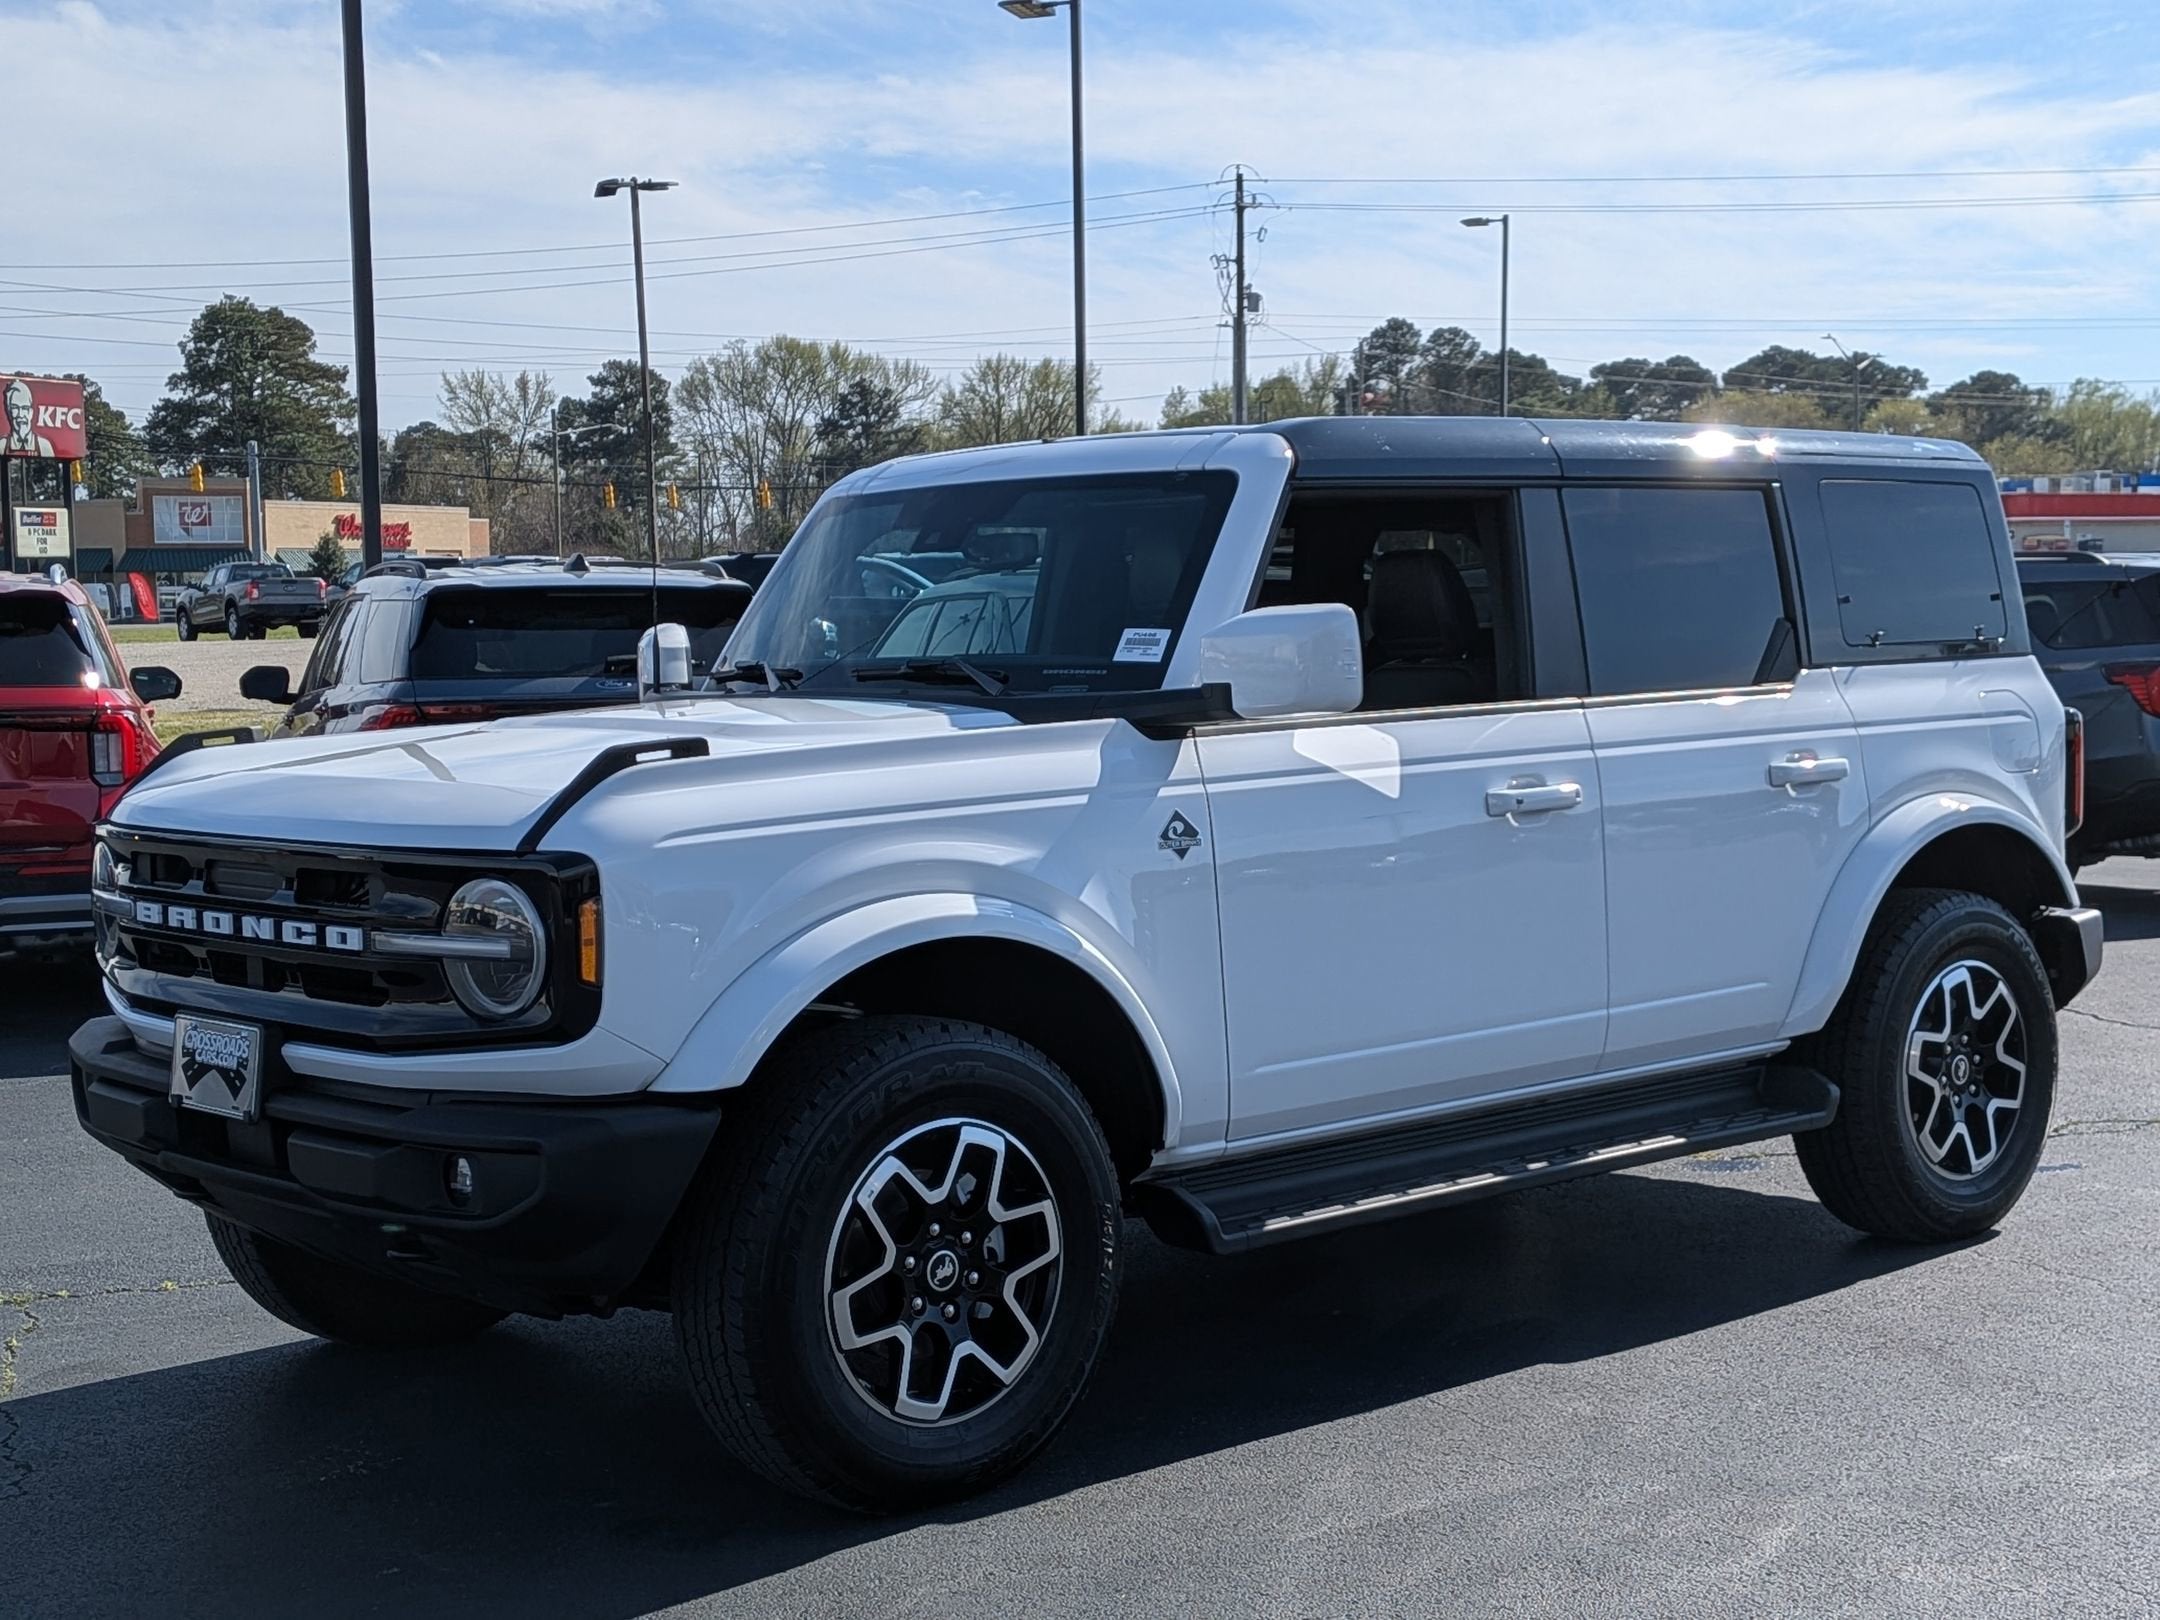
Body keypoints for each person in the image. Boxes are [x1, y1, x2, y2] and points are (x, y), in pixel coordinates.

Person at [3, 379, 56, 457]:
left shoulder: (44, 446)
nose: (20, 415)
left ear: (31, 412)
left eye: (25, 408)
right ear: (8, 411)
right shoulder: (2, 445)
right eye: (15, 408)